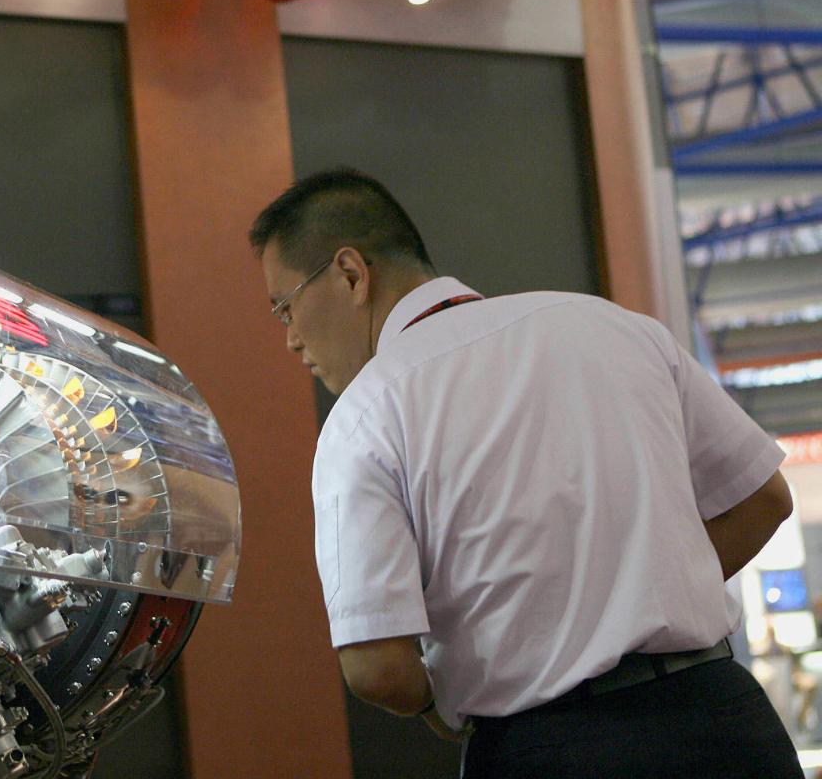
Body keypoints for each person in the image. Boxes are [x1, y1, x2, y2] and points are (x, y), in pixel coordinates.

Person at [249, 167, 801, 778]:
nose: (292, 340)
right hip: (726, 720)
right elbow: (764, 499)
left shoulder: (365, 416)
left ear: (350, 274)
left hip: (553, 748)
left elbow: (376, 667)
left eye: (285, 308)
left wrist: (444, 698)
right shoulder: (612, 325)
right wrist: (635, 599)